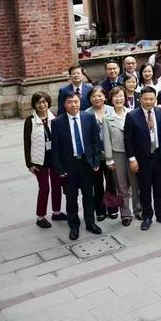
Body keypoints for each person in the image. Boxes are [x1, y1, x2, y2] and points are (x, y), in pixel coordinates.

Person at [51, 92, 103, 241]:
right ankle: (74, 226)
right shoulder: (57, 122)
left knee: (89, 196)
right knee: (71, 198)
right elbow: (56, 149)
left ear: (80, 102)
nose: (73, 105)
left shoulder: (89, 117)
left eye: (75, 101)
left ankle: (90, 223)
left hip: (86, 163)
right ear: (64, 104)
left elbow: (95, 142)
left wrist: (96, 161)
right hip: (69, 165)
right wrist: (60, 169)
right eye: (69, 102)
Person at [125, 86, 161, 230]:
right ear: (140, 99)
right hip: (142, 159)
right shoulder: (132, 116)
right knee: (145, 189)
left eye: (151, 99)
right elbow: (128, 140)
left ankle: (160, 213)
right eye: (145, 99)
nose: (148, 101)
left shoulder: (160, 112)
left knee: (160, 187)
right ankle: (147, 216)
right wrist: (132, 159)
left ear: (155, 99)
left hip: (159, 156)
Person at [23, 92, 64, 228]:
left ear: (48, 102)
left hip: (54, 158)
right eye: (38, 102)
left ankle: (57, 212)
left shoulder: (55, 117)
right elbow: (27, 143)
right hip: (39, 160)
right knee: (44, 187)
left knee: (57, 185)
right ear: (34, 105)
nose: (42, 105)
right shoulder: (30, 121)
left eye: (44, 102)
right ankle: (40, 217)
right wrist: (29, 164)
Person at [103, 86, 138, 226]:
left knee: (136, 183)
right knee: (121, 185)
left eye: (121, 96)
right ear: (111, 99)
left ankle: (138, 209)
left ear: (125, 97)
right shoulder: (107, 118)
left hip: (133, 154)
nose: (119, 99)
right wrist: (109, 159)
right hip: (117, 154)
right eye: (115, 96)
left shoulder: (132, 113)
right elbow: (106, 140)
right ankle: (125, 213)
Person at [86, 87, 117, 222]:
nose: (97, 98)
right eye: (94, 96)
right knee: (97, 184)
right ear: (90, 99)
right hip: (96, 155)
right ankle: (100, 210)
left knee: (111, 182)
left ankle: (113, 208)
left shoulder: (112, 110)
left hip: (111, 153)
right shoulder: (86, 114)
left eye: (99, 95)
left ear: (105, 97)